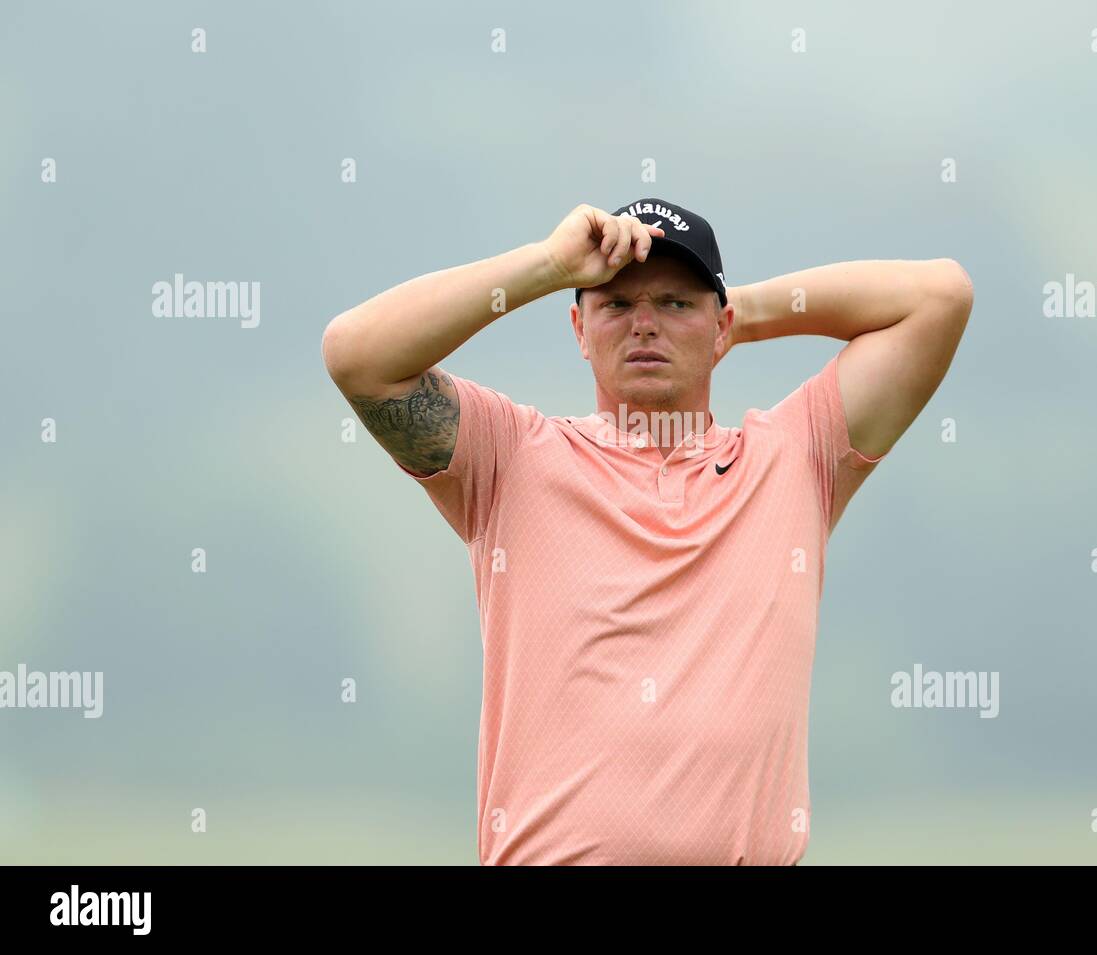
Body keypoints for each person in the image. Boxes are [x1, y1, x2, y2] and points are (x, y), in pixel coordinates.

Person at [321, 198, 974, 865]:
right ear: (578, 328)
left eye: (674, 304)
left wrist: (740, 312)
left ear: (722, 329)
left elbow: (940, 295)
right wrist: (548, 265)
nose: (644, 327)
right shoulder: (511, 458)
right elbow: (356, 353)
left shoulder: (794, 457)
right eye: (616, 305)